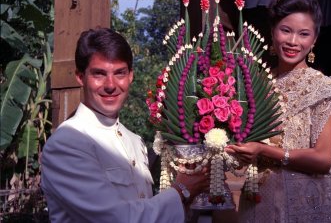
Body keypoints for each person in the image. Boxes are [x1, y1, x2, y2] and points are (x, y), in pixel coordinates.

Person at [225, 0, 331, 222]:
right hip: (256, 202)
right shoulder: (256, 83)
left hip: (302, 205)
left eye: (304, 34)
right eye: (286, 30)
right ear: (272, 32)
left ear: (314, 40)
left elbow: (323, 159)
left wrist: (264, 150)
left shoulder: (321, 88)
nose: (293, 42)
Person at [40, 28, 209, 223]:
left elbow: (145, 210)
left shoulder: (134, 141)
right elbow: (118, 218)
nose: (111, 84)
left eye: (119, 73)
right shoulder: (67, 143)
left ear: (130, 76)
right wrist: (181, 190)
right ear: (80, 77)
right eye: (99, 74)